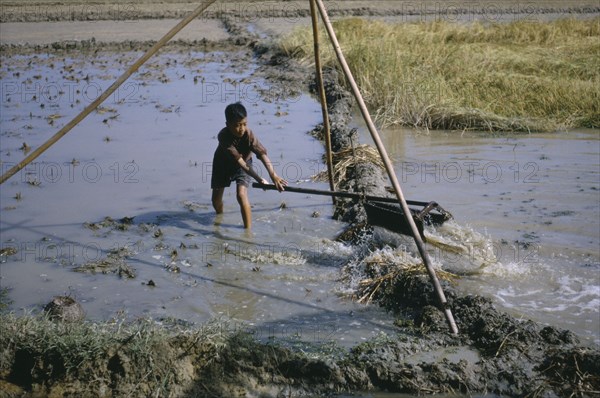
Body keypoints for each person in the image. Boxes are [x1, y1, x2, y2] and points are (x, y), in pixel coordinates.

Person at [211, 102, 287, 229]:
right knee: (216, 201)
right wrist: (259, 179)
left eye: (244, 124)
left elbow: (262, 155)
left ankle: (248, 232)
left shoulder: (249, 135)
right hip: (222, 165)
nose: (241, 129)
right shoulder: (223, 136)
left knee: (241, 195)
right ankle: (219, 217)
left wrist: (273, 175)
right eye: (237, 125)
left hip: (245, 163)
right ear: (227, 125)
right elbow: (239, 162)